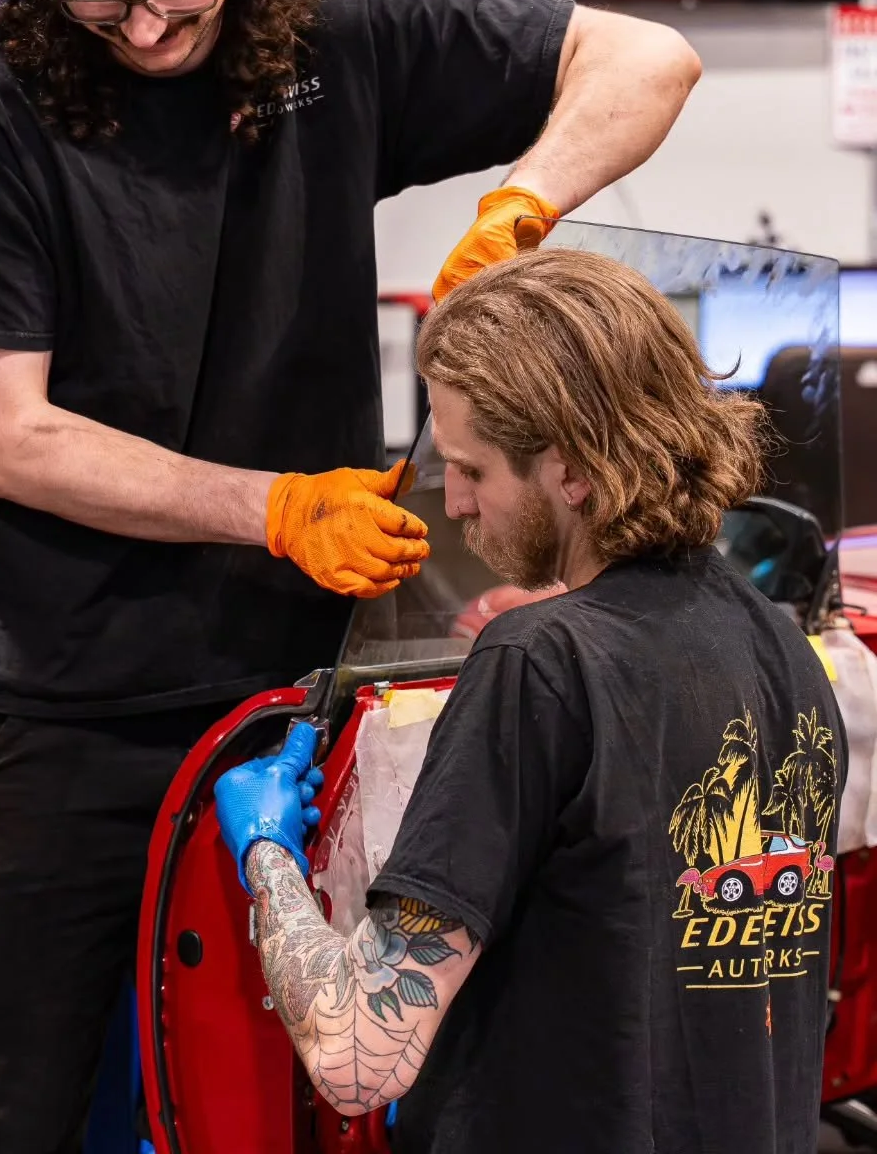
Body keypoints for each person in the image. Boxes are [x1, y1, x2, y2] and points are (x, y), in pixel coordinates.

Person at [0, 0, 700, 1151]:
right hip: (52, 713)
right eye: (100, 1)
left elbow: (643, 58)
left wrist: (522, 205)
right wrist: (273, 507)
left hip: (295, 704)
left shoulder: (337, 37)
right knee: (6, 1105)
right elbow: (11, 438)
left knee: (284, 1101)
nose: (147, 32)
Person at [216, 247, 846, 1154]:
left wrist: (268, 853)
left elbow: (359, 1055)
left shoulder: (540, 661)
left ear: (574, 470)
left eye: (471, 470)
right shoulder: (781, 646)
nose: (457, 508)